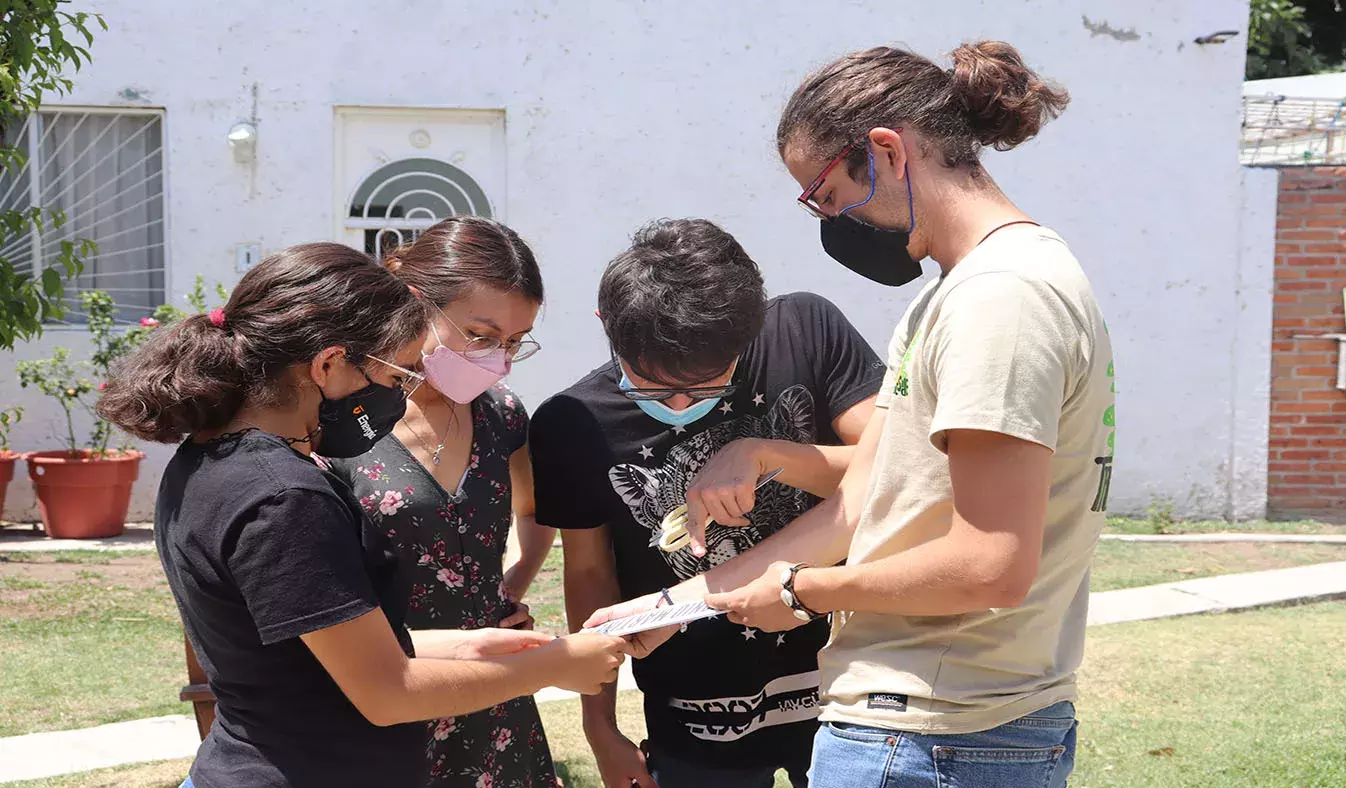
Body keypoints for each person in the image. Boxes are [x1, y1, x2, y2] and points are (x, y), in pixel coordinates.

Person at [586, 42, 1114, 788]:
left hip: (940, 732)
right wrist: (678, 601)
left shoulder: (1002, 300)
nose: (829, 222)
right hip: (919, 723)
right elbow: (861, 504)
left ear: (888, 152)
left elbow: (991, 566)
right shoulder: (952, 295)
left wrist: (803, 592)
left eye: (827, 197)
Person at [97, 243, 639, 788]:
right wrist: (550, 668)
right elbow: (387, 692)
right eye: (396, 374)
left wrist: (467, 645)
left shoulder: (206, 461)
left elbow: (301, 650)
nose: (401, 397)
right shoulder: (286, 499)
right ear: (328, 364)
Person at [529, 218, 885, 788]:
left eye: (706, 385)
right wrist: (601, 730)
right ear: (607, 328)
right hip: (694, 711)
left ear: (750, 333)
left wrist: (769, 453)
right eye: (649, 385)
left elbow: (901, 473)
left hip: (845, 686)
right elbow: (590, 573)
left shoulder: (805, 330)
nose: (677, 402)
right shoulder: (573, 424)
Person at [328, 217, 559, 786]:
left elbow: (533, 511)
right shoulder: (336, 414)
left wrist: (511, 585)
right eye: (480, 336)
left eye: (513, 343)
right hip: (385, 688)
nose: (497, 358)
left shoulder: (500, 413)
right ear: (416, 302)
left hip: (494, 701)